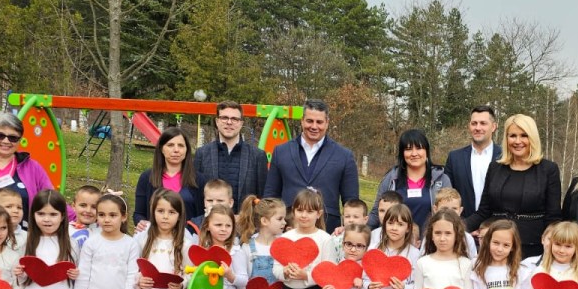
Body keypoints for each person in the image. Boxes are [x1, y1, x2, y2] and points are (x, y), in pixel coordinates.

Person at [465, 114, 562, 260]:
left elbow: (553, 217)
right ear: (506, 139)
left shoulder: (548, 169)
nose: (518, 141)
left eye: (524, 135)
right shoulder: (495, 168)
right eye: (512, 136)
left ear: (533, 138)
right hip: (496, 247)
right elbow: (484, 211)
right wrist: (456, 227)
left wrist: (551, 247)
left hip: (532, 249)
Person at [262, 99, 360, 231]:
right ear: (302, 121)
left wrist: (347, 229)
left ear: (327, 123)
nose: (314, 126)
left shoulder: (344, 156)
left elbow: (352, 203)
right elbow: (270, 195)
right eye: (309, 121)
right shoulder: (281, 151)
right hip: (287, 230)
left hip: (327, 232)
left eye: (319, 122)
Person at [367, 129, 451, 232]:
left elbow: (449, 215)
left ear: (426, 151)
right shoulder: (391, 178)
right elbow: (376, 213)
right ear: (402, 153)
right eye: (408, 149)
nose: (414, 153)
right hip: (395, 243)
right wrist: (360, 231)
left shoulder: (442, 179)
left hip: (430, 243)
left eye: (419, 148)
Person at [193, 101, 267, 209]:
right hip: (210, 222)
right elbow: (196, 194)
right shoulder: (202, 154)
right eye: (224, 118)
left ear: (241, 123)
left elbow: (262, 197)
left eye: (234, 119)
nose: (229, 122)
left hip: (245, 224)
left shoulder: (257, 156)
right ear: (217, 121)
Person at [134, 126, 205, 230]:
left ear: (186, 150)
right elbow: (139, 214)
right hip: (156, 239)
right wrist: (140, 222)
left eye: (181, 146)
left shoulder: (198, 179)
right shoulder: (147, 178)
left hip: (188, 240)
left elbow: (203, 215)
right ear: (162, 149)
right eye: (170, 145)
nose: (176, 150)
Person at [444, 104, 501, 219]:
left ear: (494, 127)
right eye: (474, 123)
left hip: (497, 229)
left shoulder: (505, 157)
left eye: (483, 123)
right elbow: (447, 197)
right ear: (469, 126)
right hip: (462, 228)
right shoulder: (455, 158)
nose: (478, 128)